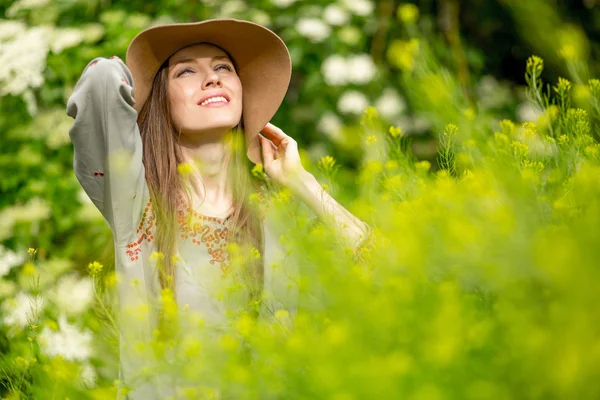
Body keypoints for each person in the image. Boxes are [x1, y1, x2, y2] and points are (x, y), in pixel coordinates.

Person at [66, 18, 370, 398]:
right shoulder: (137, 204)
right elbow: (102, 81)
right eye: (187, 71)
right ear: (162, 98)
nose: (212, 79)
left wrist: (303, 183)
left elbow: (387, 275)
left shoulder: (278, 214)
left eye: (223, 67)